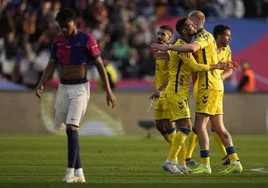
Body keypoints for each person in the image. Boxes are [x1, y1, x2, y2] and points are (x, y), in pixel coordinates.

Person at [151, 10, 242, 174]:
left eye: (192, 22)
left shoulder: (202, 37)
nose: (192, 25)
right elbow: (189, 60)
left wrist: (168, 48)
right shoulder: (183, 44)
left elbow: (192, 53)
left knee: (196, 126)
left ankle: (199, 164)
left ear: (195, 21)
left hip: (207, 85)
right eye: (189, 24)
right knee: (207, 127)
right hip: (185, 90)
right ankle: (232, 160)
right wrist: (167, 52)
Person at [35, 9, 116, 183]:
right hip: (63, 88)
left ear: (74, 22)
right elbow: (51, 65)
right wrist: (42, 82)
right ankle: (79, 172)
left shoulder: (87, 40)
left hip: (80, 88)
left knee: (72, 127)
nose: (63, 29)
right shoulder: (58, 41)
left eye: (66, 25)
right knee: (70, 130)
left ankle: (69, 173)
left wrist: (108, 91)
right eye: (61, 26)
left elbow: (100, 66)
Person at [186, 24, 234, 166]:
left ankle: (216, 159)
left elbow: (229, 69)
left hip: (214, 87)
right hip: (203, 86)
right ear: (218, 36)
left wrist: (222, 77)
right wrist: (195, 86)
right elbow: (195, 68)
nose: (229, 38)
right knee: (207, 124)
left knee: (206, 125)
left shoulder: (226, 49)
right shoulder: (206, 47)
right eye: (227, 35)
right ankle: (229, 157)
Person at [150, 25, 176, 146]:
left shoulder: (171, 53)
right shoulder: (160, 52)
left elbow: (172, 76)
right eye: (158, 33)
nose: (159, 36)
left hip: (167, 92)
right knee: (159, 126)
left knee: (169, 123)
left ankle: (176, 155)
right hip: (159, 92)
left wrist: (160, 89)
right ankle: (176, 148)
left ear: (169, 38)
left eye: (163, 34)